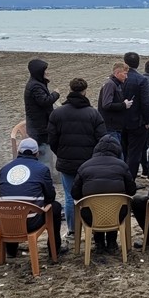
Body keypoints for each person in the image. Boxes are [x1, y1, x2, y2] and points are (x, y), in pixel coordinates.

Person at [46, 77, 106, 236]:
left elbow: (52, 139)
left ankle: (73, 230)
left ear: (70, 90)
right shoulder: (93, 114)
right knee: (89, 195)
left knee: (69, 196)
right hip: (89, 163)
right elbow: (102, 139)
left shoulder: (57, 114)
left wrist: (61, 153)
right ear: (85, 91)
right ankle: (92, 229)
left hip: (67, 162)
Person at [0, 138, 64, 259]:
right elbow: (50, 197)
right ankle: (54, 249)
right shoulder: (42, 169)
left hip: (5, 222)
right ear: (37, 153)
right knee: (55, 207)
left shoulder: (4, 170)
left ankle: (11, 251)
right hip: (31, 223)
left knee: (12, 204)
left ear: (18, 151)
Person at [72, 135, 137, 254]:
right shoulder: (122, 166)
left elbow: (75, 194)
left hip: (91, 216)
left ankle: (99, 243)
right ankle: (112, 242)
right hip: (118, 214)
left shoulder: (84, 166)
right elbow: (132, 190)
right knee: (115, 205)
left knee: (94, 207)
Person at [23, 59, 60, 169]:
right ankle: (45, 174)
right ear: (39, 72)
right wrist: (56, 94)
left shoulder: (37, 83)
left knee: (46, 154)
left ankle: (47, 172)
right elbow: (45, 101)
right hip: (39, 128)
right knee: (43, 155)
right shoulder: (35, 86)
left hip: (40, 126)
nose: (47, 72)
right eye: (45, 70)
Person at [121, 52, 149, 177]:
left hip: (121, 120)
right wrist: (147, 120)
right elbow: (145, 103)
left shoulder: (119, 78)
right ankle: (130, 179)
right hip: (137, 121)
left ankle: (123, 176)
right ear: (138, 64)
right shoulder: (141, 80)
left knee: (123, 150)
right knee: (134, 152)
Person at [98, 62, 132, 144]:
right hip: (110, 127)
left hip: (115, 126)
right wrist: (124, 105)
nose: (126, 77)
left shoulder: (116, 84)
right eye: (125, 74)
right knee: (114, 149)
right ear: (117, 73)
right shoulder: (110, 84)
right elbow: (106, 104)